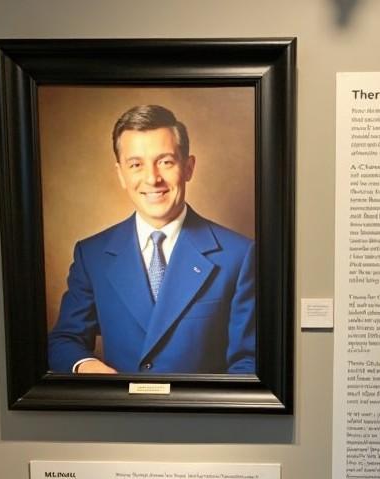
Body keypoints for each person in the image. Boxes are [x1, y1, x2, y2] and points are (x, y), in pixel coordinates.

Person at [47, 104, 255, 375]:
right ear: (121, 174)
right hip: (119, 414)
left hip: (200, 416)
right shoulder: (92, 255)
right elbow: (64, 341)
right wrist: (91, 369)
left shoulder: (238, 255)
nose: (152, 178)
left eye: (165, 162)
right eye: (136, 165)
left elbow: (248, 362)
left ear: (188, 167)